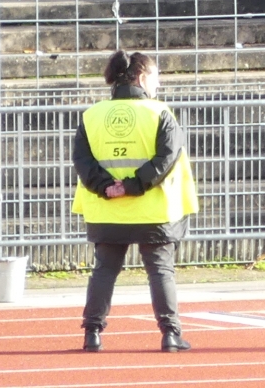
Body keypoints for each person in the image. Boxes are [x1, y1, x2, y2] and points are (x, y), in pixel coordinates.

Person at [72, 49, 195, 354]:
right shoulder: (160, 113)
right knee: (160, 270)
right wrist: (132, 186)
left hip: (106, 210)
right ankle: (170, 333)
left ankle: (92, 333)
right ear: (141, 77)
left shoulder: (91, 116)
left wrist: (108, 188)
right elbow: (166, 159)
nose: (158, 83)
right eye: (155, 76)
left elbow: (83, 162)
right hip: (153, 210)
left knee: (104, 270)